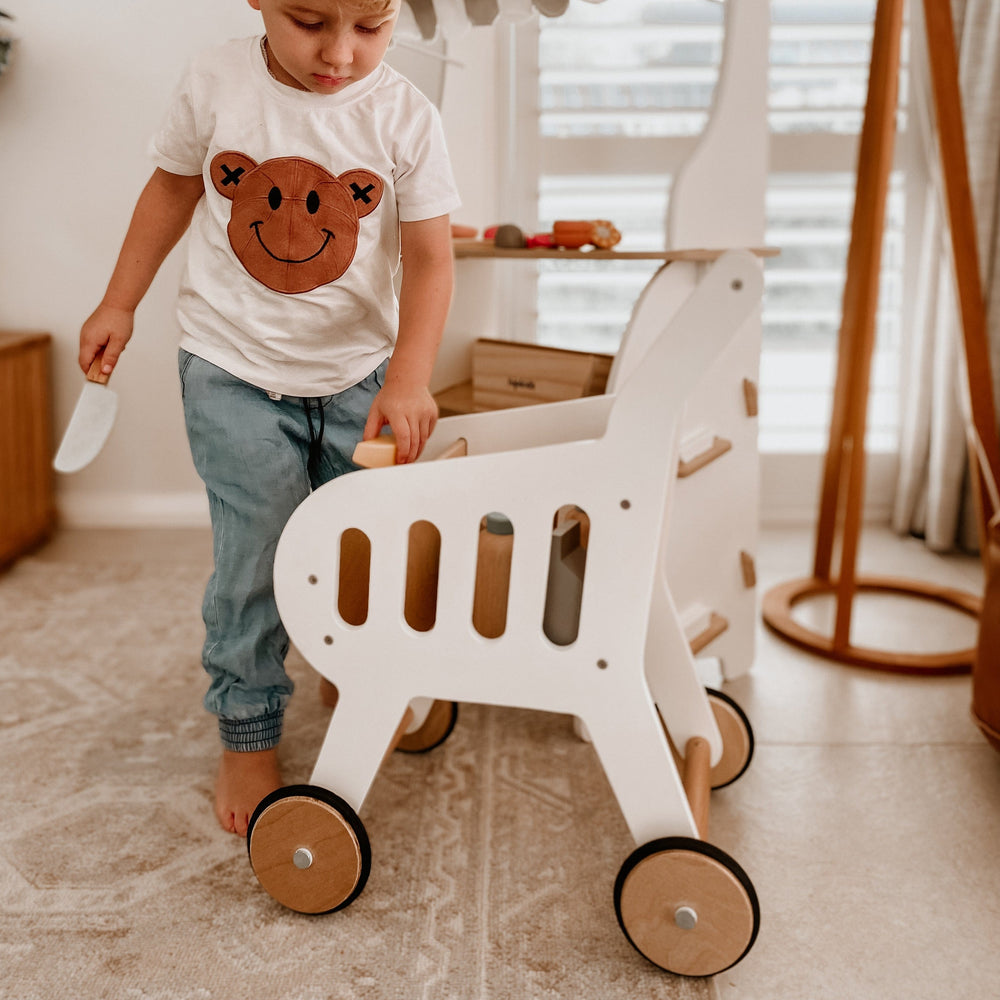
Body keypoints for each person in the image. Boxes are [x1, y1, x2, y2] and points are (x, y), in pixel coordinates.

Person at [77, 0, 461, 836]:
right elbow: (173, 190)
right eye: (310, 21)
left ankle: (350, 667)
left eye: (371, 26)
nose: (339, 53)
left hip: (360, 378)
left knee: (361, 554)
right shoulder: (216, 80)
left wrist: (411, 378)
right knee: (254, 556)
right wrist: (120, 302)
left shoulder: (404, 113)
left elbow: (432, 259)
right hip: (231, 370)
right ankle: (247, 729)